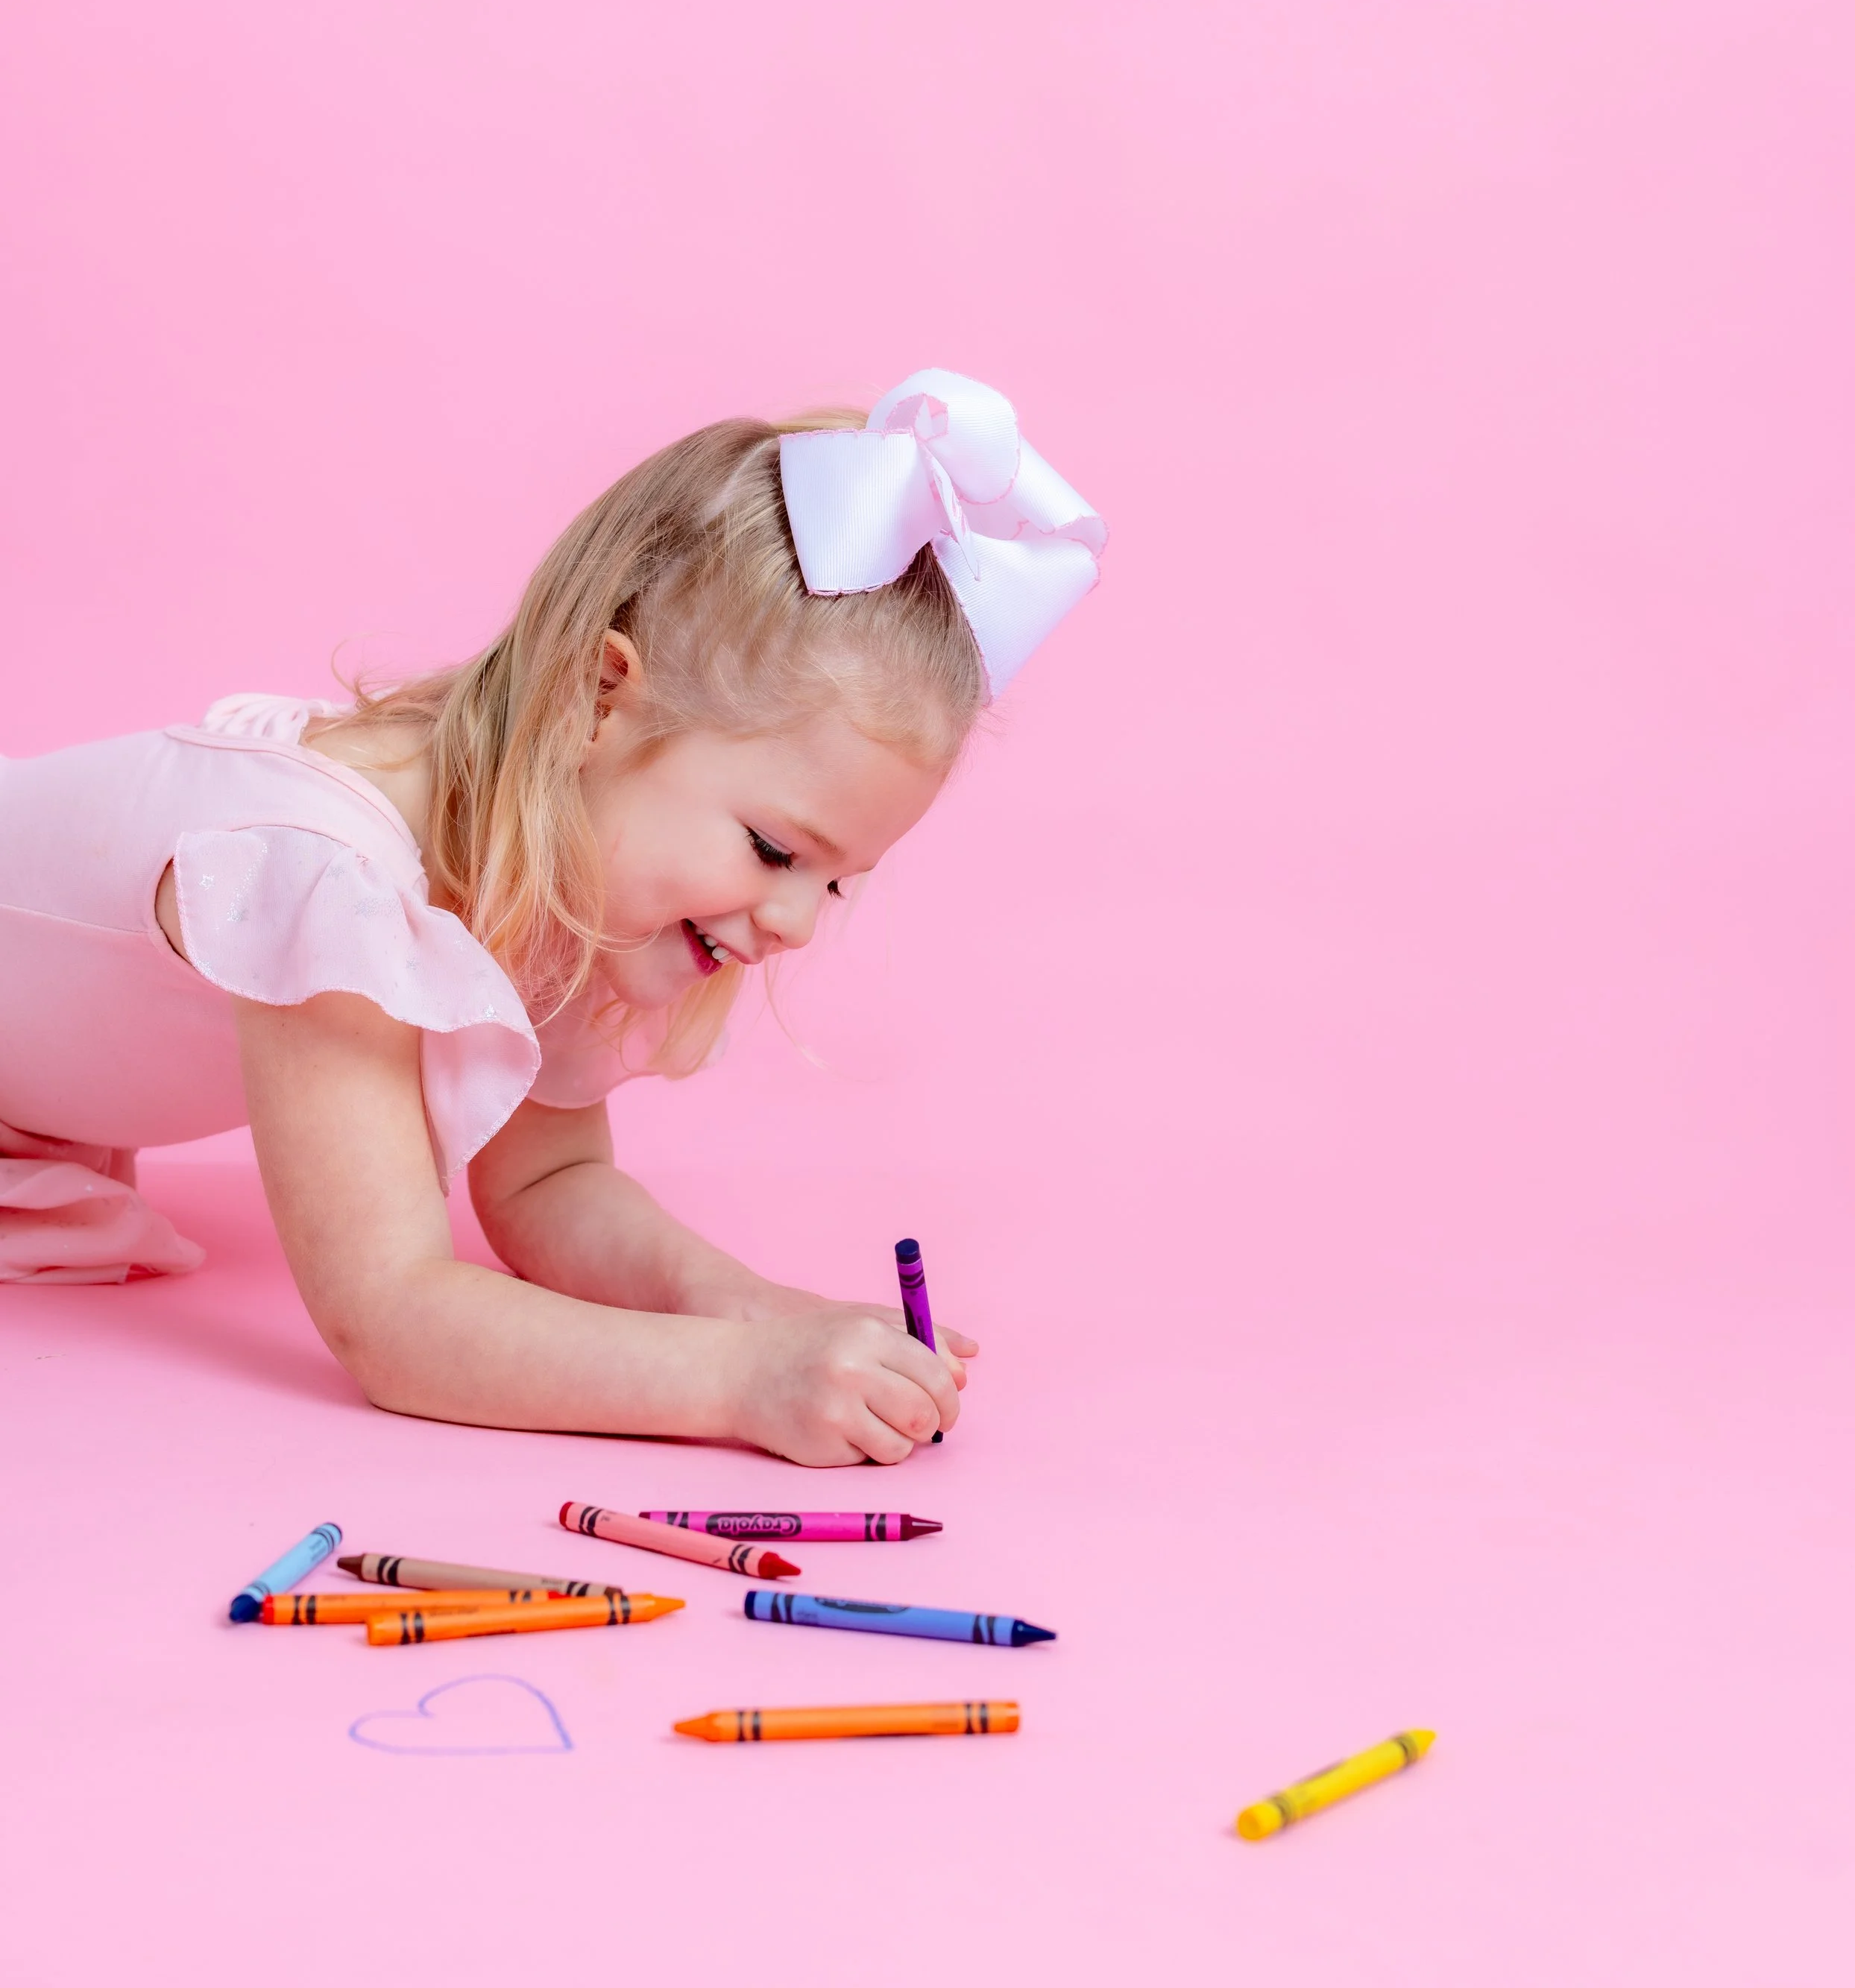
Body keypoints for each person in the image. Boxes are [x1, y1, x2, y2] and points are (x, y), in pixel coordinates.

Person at [0, 370, 1104, 1464]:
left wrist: (759, 1315)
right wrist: (739, 1385)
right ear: (593, 699)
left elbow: (544, 1184)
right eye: (775, 851)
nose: (800, 925)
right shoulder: (320, 869)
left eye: (835, 881)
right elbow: (390, 1321)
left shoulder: (552, 859)